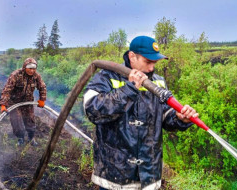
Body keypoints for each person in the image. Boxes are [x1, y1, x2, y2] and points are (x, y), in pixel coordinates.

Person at [83, 36, 198, 190]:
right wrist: (129, 88)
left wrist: (179, 118)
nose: (152, 68)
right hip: (116, 177)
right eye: (148, 62)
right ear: (132, 56)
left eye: (154, 62)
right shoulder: (107, 77)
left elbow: (164, 116)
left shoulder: (158, 81)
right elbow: (92, 110)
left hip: (149, 177)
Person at [0, 58, 47, 146]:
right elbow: (7, 90)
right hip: (14, 103)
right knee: (16, 121)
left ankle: (31, 138)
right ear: (25, 67)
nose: (32, 71)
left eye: (34, 68)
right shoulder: (16, 75)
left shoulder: (36, 76)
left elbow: (42, 87)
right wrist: (3, 104)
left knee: (30, 121)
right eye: (30, 68)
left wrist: (42, 99)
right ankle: (20, 138)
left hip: (27, 102)